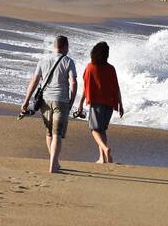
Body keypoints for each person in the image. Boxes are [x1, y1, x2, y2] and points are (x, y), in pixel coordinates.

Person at [21, 35, 78, 174]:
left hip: (45, 101)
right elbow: (73, 82)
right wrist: (72, 100)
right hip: (61, 100)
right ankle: (53, 164)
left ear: (54, 46)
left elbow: (34, 81)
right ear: (65, 47)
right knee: (57, 133)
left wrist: (26, 100)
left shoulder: (43, 60)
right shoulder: (68, 61)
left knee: (49, 132)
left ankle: (54, 161)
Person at [74, 41, 124, 164]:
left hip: (96, 103)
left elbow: (86, 87)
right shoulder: (111, 68)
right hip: (110, 104)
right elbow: (116, 87)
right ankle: (103, 158)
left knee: (94, 129)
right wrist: (121, 104)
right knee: (101, 130)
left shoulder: (90, 67)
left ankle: (105, 148)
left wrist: (80, 103)